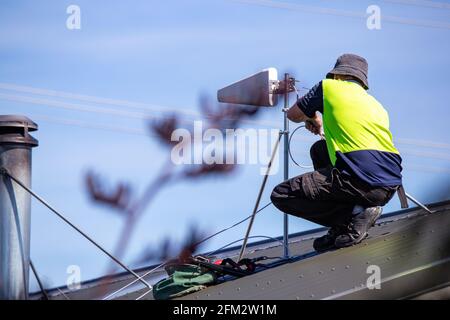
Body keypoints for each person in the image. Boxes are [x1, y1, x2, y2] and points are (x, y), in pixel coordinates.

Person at [271, 53, 403, 252]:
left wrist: (312, 117)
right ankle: (348, 221)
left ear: (337, 76)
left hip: (361, 180)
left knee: (281, 195)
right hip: (389, 183)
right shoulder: (376, 104)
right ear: (361, 81)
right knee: (319, 150)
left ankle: (352, 218)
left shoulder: (328, 87)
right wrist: (319, 121)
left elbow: (293, 115)